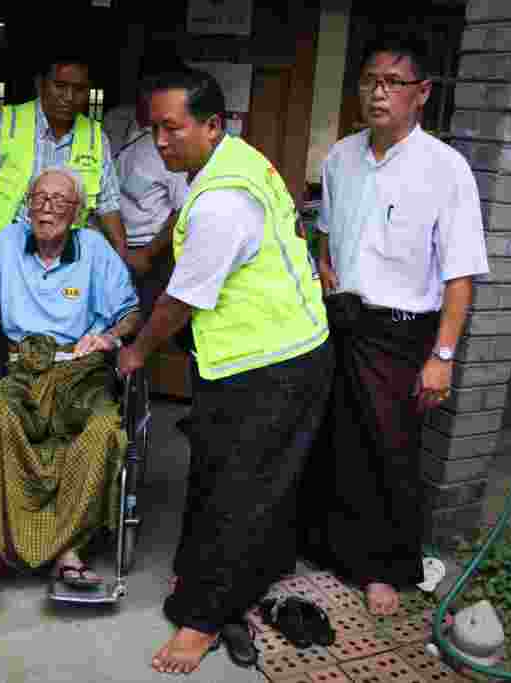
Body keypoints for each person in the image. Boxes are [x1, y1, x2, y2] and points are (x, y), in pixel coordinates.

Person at [116, 70, 334, 675]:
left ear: (212, 125)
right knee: (230, 477)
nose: (160, 142)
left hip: (272, 365)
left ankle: (203, 619)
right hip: (270, 354)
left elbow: (181, 299)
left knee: (240, 491)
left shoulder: (221, 200)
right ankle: (227, 577)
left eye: (172, 128)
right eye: (153, 128)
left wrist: (137, 350)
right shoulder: (234, 160)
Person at [299, 35, 489, 616]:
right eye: (370, 81)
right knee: (336, 442)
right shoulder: (341, 157)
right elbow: (326, 232)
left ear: (422, 94)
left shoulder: (445, 169)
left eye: (393, 83)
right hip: (344, 321)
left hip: (403, 331)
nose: (379, 93)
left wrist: (443, 355)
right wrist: (326, 266)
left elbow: (460, 275)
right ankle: (331, 550)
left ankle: (385, 568)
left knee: (390, 450)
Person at [0, 166, 139, 596]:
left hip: (80, 371)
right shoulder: (10, 242)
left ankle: (70, 550)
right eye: (39, 198)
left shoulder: (95, 249)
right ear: (28, 204)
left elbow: (130, 313)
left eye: (59, 200)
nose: (47, 207)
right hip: (22, 370)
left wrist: (109, 336)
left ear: (78, 212)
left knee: (103, 430)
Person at [0, 55, 128, 264]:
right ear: (41, 84)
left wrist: (120, 253)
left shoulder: (96, 138)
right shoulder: (5, 124)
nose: (69, 97)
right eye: (60, 86)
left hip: (63, 259)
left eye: (79, 89)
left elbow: (108, 203)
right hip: (2, 251)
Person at [103, 56, 189, 320]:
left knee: (135, 323)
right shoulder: (115, 120)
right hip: (104, 243)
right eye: (148, 88)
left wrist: (147, 254)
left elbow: (184, 209)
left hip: (145, 254)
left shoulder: (175, 144)